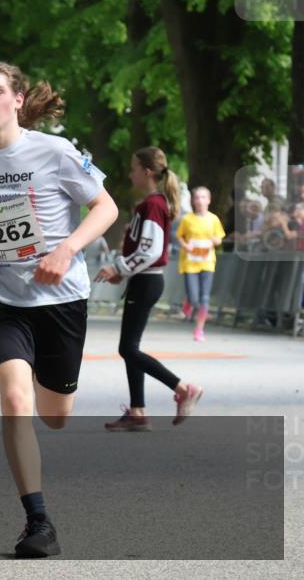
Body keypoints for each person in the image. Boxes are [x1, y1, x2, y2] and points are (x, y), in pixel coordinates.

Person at [0, 59, 119, 558]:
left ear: (17, 99)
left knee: (56, 415)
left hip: (62, 299)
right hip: (2, 300)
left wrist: (66, 250)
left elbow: (106, 207)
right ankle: (37, 521)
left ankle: (51, 388)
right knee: (15, 400)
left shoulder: (57, 152)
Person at [96, 147, 205, 432]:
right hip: (143, 279)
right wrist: (126, 271)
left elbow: (151, 251)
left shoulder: (153, 204)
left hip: (147, 280)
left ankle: (183, 388)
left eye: (133, 168)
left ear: (146, 171)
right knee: (131, 347)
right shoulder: (152, 203)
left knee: (128, 348)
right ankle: (137, 411)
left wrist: (118, 268)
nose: (130, 173)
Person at [175, 186, 225, 341]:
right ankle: (189, 302)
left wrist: (216, 241)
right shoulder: (187, 219)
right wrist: (186, 245)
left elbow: (219, 238)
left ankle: (199, 330)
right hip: (190, 263)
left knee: (204, 298)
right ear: (193, 201)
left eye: (203, 197)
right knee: (194, 297)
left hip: (207, 262)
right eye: (197, 197)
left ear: (209, 200)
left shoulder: (214, 219)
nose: (200, 200)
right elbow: (179, 236)